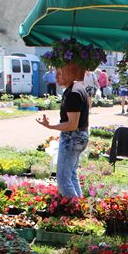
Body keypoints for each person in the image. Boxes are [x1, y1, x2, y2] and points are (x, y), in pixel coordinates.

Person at [35, 66, 89, 198]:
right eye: (56, 73)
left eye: (59, 73)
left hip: (73, 137)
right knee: (71, 175)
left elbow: (72, 124)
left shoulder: (73, 93)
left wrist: (50, 126)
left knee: (63, 179)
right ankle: (80, 206)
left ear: (69, 73)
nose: (56, 77)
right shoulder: (75, 89)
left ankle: (74, 208)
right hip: (78, 136)